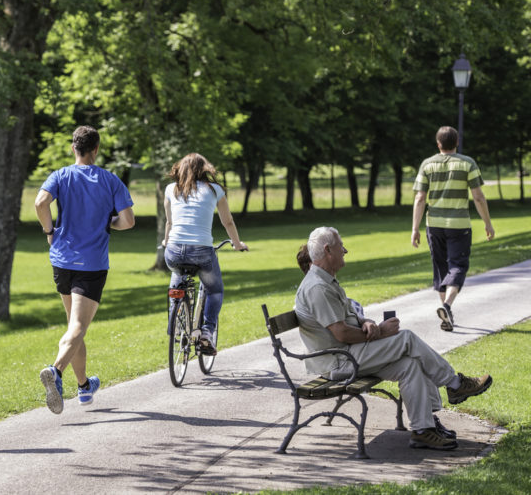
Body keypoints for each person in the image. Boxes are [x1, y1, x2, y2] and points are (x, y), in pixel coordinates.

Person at [296, 226, 493, 450]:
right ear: (328, 250)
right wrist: (379, 331)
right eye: (341, 246)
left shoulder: (325, 280)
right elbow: (341, 333)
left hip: (350, 353)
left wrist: (366, 322)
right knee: (406, 339)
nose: (345, 250)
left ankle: (423, 429)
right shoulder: (317, 287)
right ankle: (455, 384)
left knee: (409, 364)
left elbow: (348, 317)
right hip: (340, 360)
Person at [35, 126, 135, 414]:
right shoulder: (110, 180)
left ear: (73, 148)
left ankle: (83, 388)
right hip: (91, 263)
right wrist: (109, 223)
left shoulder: (60, 175)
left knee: (73, 327)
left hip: (61, 259)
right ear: (96, 149)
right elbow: (128, 221)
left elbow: (41, 202)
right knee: (78, 327)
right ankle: (55, 371)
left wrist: (49, 230)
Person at [161, 153, 247, 354]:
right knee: (214, 290)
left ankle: (175, 325)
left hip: (173, 249)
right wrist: (237, 243)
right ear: (204, 169)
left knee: (177, 279)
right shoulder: (214, 190)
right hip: (202, 251)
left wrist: (166, 241)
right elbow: (228, 222)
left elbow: (170, 222)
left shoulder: (170, 189)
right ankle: (207, 332)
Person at [411, 126, 495, 332]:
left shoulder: (427, 164)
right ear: (457, 142)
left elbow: (420, 198)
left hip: (434, 225)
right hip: (459, 226)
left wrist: (415, 228)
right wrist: (487, 223)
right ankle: (446, 306)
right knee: (458, 265)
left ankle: (446, 313)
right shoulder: (468, 163)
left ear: (438, 144)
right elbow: (478, 196)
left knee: (441, 268)